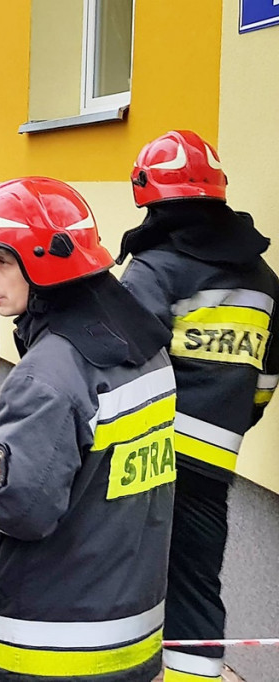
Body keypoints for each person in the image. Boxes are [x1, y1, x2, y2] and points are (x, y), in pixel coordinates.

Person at [0, 177, 176, 682]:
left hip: (53, 644)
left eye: (0, 261)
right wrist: (6, 439)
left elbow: (17, 507)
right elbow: (92, 471)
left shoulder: (46, 374)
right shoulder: (145, 351)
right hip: (130, 629)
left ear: (44, 262)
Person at [118, 130, 279, 682]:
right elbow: (267, 372)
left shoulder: (157, 269)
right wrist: (236, 414)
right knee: (195, 582)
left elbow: (121, 360)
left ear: (149, 194)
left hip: (147, 451)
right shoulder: (263, 278)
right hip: (216, 455)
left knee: (118, 573)